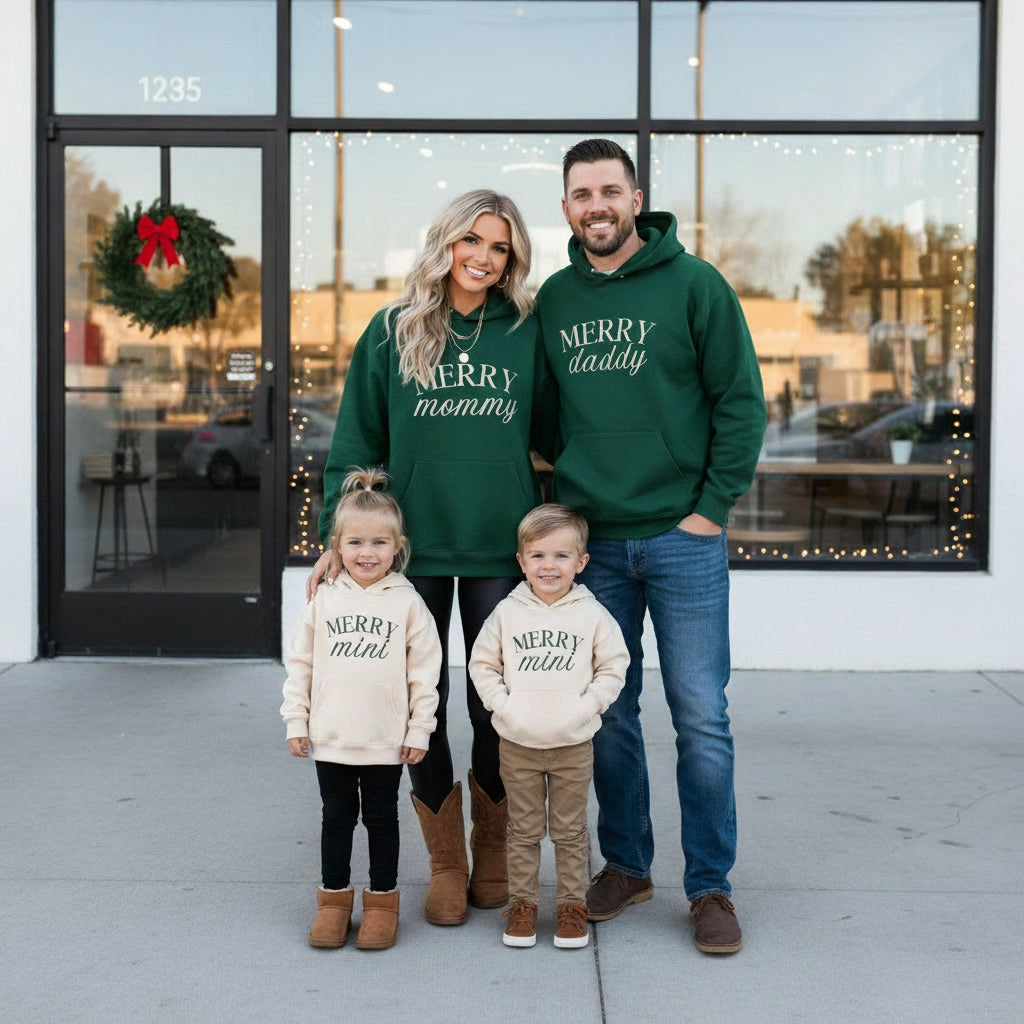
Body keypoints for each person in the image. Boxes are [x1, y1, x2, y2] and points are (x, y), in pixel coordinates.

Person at [535, 139, 767, 954]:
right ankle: (628, 866)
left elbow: (740, 402)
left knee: (701, 714)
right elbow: (544, 417)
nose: (595, 206)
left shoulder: (696, 285)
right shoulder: (555, 299)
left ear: (635, 201)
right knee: (609, 714)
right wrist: (566, 502)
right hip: (595, 546)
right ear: (567, 208)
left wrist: (710, 509)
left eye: (609, 191)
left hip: (682, 538)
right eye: (581, 194)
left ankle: (710, 887)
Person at [305, 190, 554, 926]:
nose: (483, 257)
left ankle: (493, 849)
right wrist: (337, 537)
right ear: (444, 241)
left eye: (499, 247)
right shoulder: (392, 330)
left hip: (498, 546)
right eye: (471, 240)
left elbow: (557, 433)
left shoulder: (528, 330)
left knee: (494, 701)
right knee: (423, 701)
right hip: (411, 551)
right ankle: (446, 862)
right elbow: (355, 443)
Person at [282, 468, 442, 951]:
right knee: (335, 819)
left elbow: (425, 674)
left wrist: (419, 730)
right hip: (331, 736)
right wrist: (296, 719)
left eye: (379, 543)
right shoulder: (323, 600)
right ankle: (333, 903)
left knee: (381, 819)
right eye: (355, 543)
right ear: (336, 546)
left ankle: (381, 905)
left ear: (397, 547)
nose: (366, 553)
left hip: (385, 739)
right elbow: (301, 663)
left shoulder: (408, 603)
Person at [469, 504, 627, 949]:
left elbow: (614, 666)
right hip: (518, 742)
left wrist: (586, 708)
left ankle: (571, 907)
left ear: (581, 561)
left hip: (573, 743)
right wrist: (505, 707)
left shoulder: (591, 614)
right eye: (538, 555)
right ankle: (522, 905)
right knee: (522, 830)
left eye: (561, 556)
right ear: (521, 562)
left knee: (570, 832)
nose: (549, 566)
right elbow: (483, 664)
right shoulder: (507, 612)